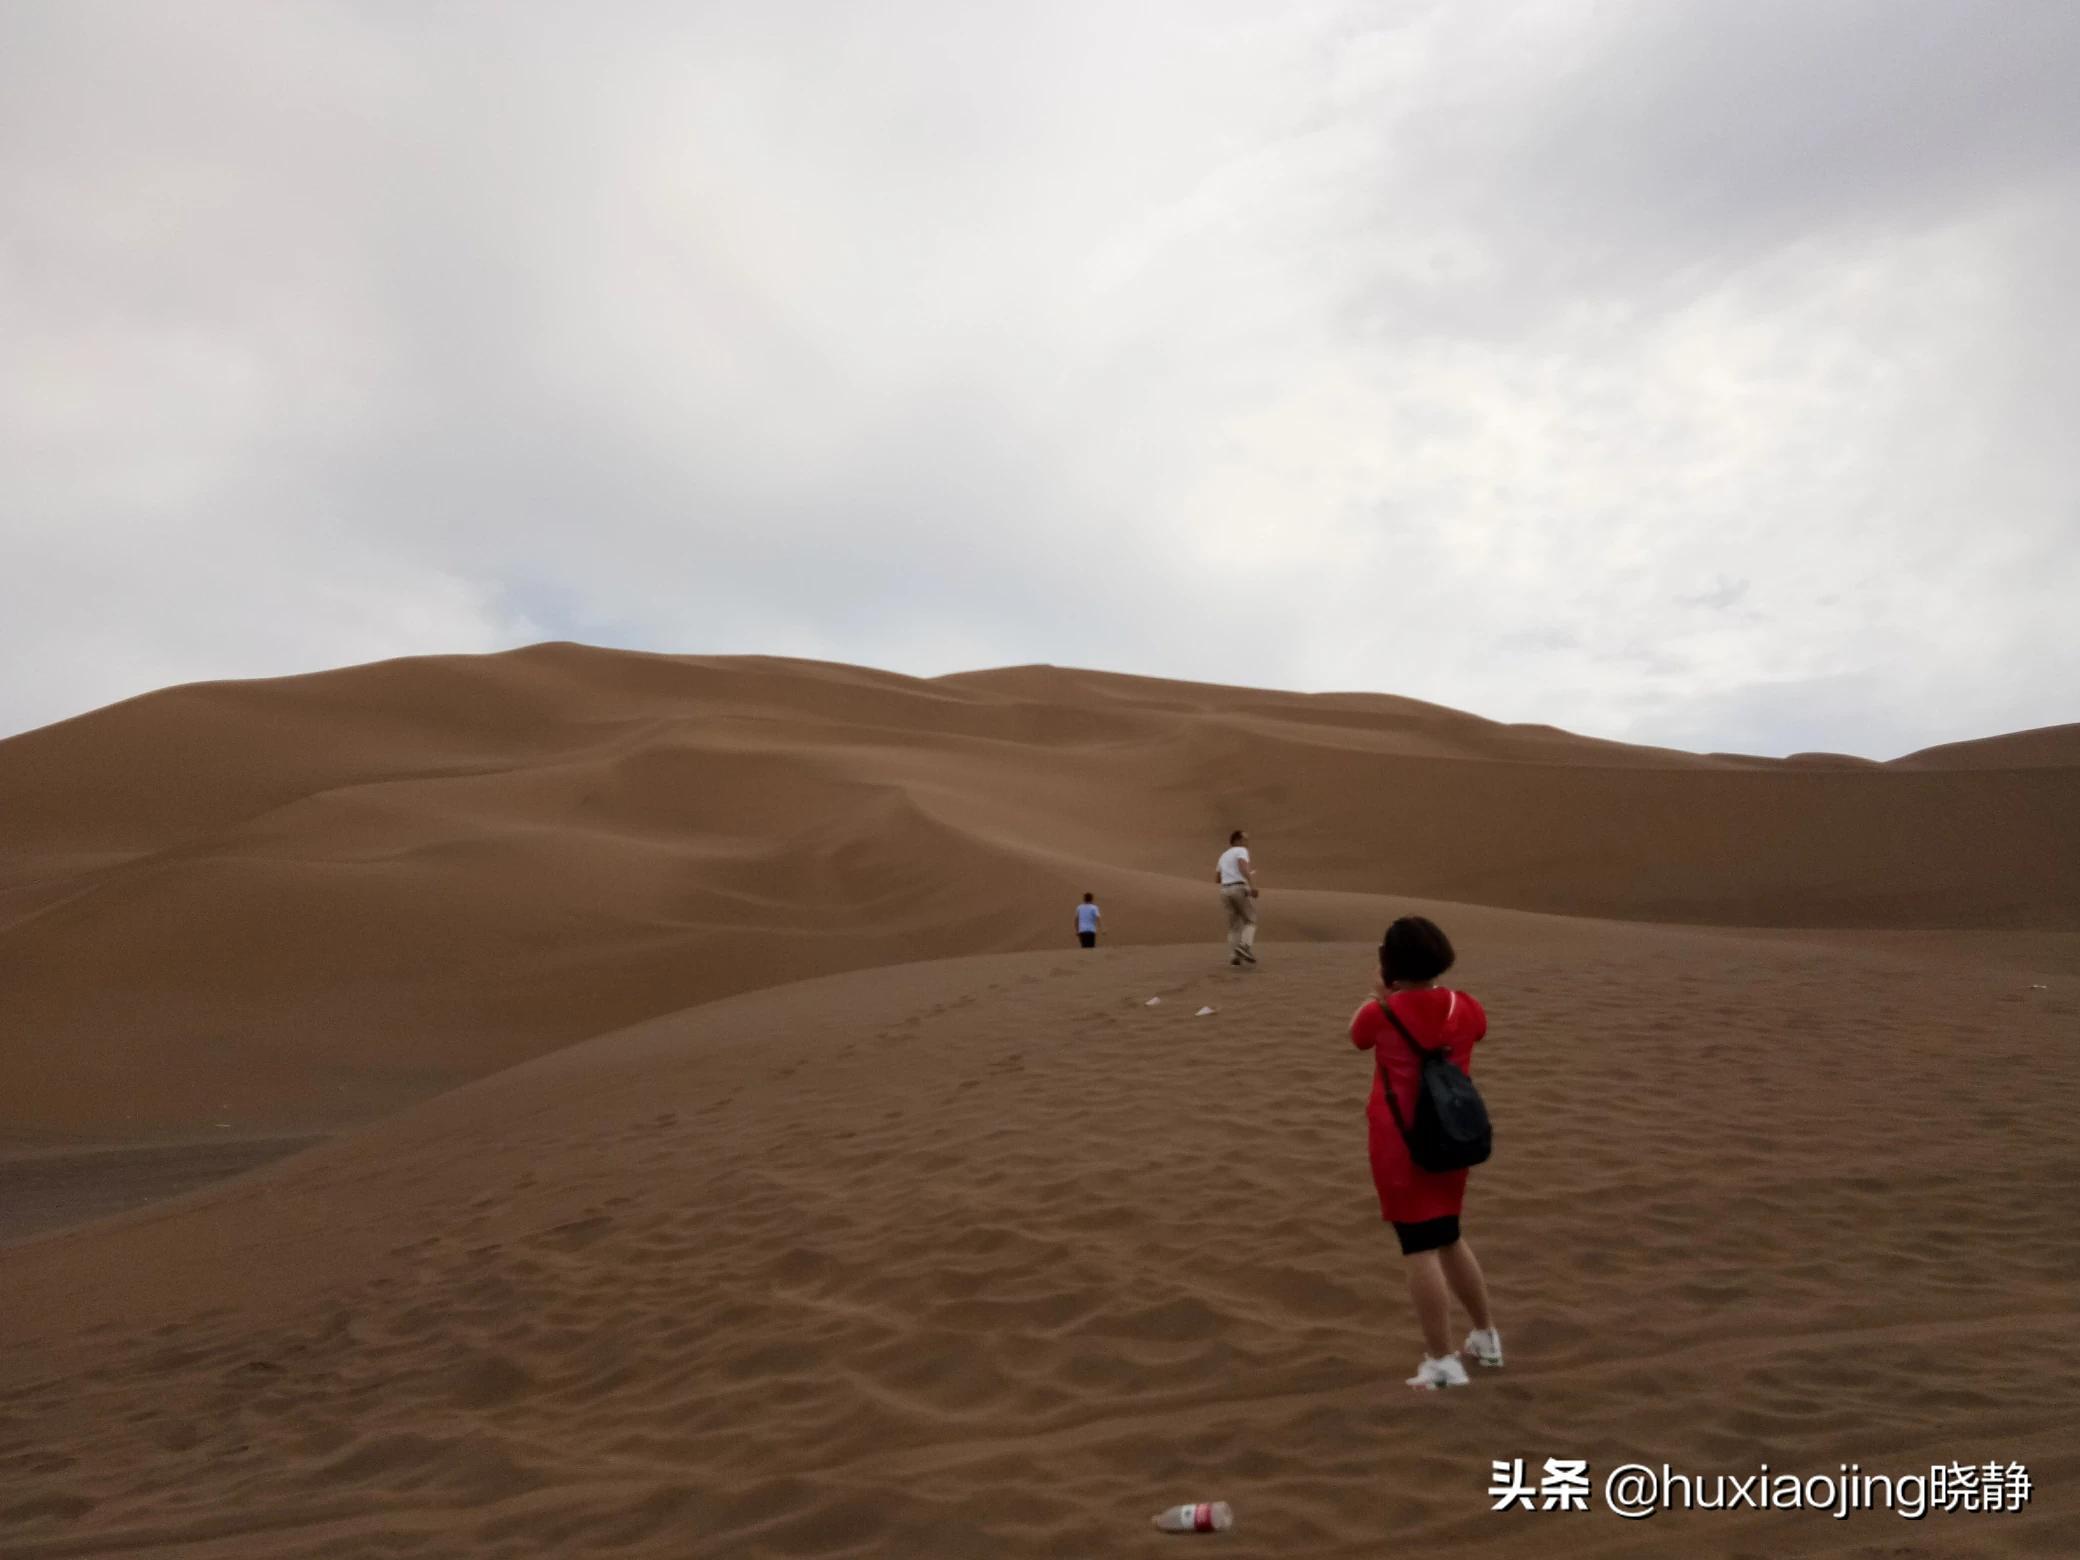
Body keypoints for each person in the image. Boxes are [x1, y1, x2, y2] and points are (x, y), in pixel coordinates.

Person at [1348, 915, 1501, 1389]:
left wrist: (1380, 995)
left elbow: (1357, 1036)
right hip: (1453, 1134)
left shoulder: (1381, 1013)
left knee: (1418, 1246)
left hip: (1400, 1141)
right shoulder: (1466, 1006)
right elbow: (1478, 1032)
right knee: (1450, 1234)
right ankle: (1486, 1337)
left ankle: (1441, 1360)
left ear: (1390, 965)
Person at [1215, 829, 1258, 966]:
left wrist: (1230, 875)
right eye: (1245, 839)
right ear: (1237, 841)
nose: (1247, 842)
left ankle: (1235, 956)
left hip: (1224, 890)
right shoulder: (1241, 851)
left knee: (1234, 926)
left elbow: (1217, 878)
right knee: (1251, 920)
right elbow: (1243, 867)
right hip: (1238, 888)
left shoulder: (1223, 855)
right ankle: (1244, 947)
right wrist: (1251, 885)